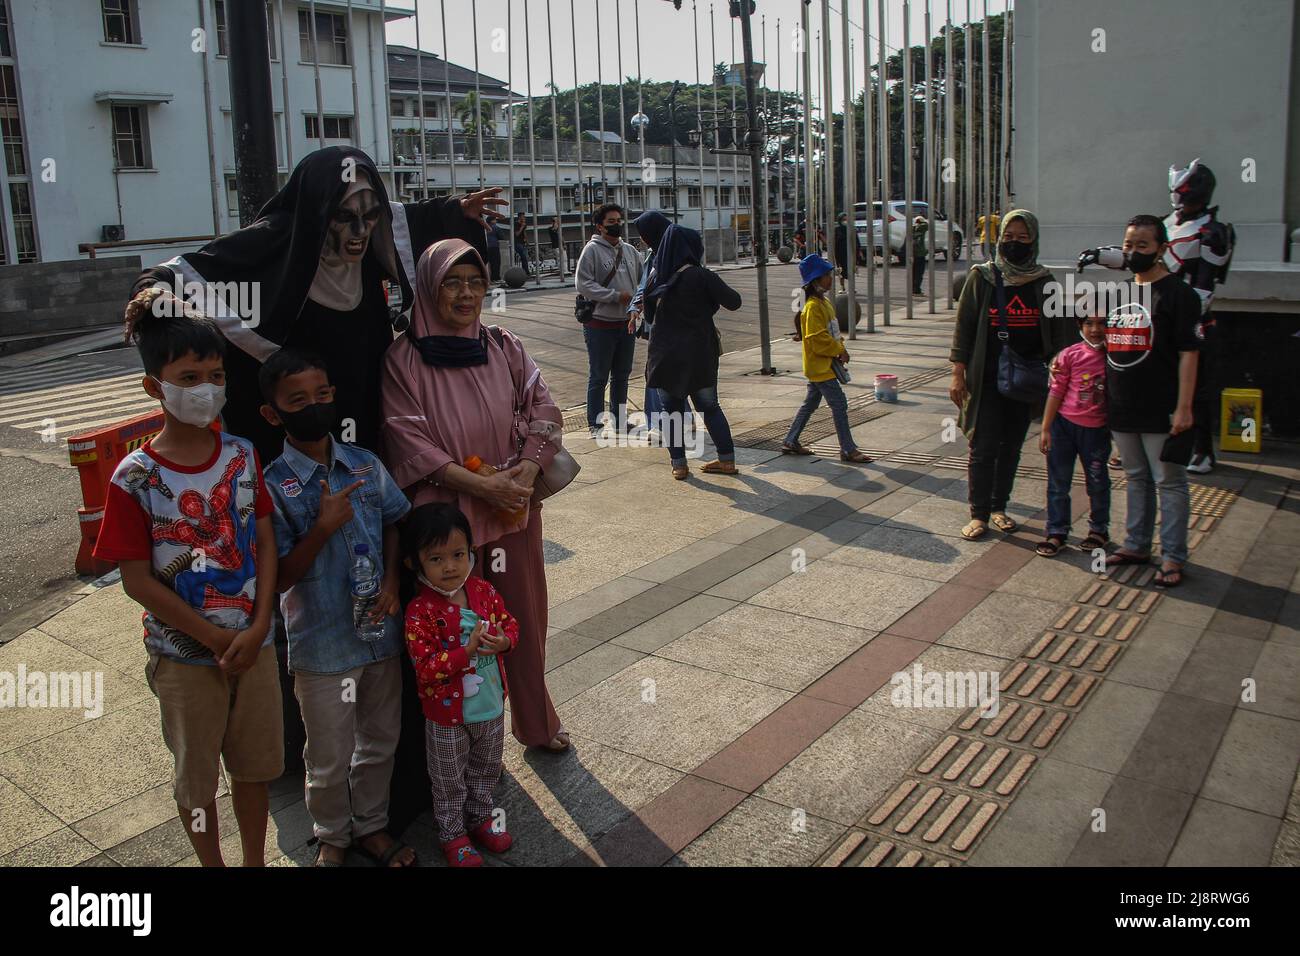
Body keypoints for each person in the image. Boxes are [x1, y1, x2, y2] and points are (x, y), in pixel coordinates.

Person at [125, 146, 503, 464]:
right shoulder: (276, 243)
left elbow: (412, 220)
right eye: (344, 217)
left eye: (370, 216)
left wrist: (456, 211)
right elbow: (181, 272)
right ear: (319, 213)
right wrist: (154, 293)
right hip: (300, 417)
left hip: (364, 401)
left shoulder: (372, 248)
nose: (360, 232)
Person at [93, 293, 281, 867]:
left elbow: (264, 542)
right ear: (156, 387)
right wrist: (219, 638)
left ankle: (252, 860)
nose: (206, 387)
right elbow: (137, 581)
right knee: (196, 782)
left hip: (257, 646)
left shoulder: (243, 455)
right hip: (184, 658)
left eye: (216, 375)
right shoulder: (135, 478)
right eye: (189, 376)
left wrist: (258, 624)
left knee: (254, 770)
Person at [382, 238, 570, 753]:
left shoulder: (503, 345)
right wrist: (480, 485)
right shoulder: (404, 359)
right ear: (427, 287)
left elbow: (544, 410)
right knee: (456, 631)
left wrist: (526, 471)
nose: (466, 294)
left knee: (522, 622)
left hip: (512, 509)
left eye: (475, 282)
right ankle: (466, 744)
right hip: (447, 522)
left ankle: (536, 722)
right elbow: (406, 437)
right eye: (452, 283)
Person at [259, 349, 416, 868]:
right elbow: (279, 576)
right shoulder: (271, 486)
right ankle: (331, 833)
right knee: (326, 755)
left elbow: (395, 521)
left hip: (379, 635)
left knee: (379, 741)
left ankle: (371, 826)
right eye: (297, 400)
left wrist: (394, 579)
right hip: (321, 646)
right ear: (272, 413)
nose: (313, 406)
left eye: (321, 395)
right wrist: (321, 528)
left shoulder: (365, 464)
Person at [401, 503, 517, 868]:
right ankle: (453, 834)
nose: (450, 566)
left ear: (471, 552)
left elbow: (509, 624)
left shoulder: (483, 591)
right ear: (414, 564)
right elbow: (425, 668)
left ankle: (481, 818)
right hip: (446, 717)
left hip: (491, 706)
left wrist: (505, 641)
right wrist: (465, 653)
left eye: (457, 554)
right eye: (436, 559)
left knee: (486, 768)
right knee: (449, 780)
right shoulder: (421, 612)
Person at [949, 209, 1072, 540]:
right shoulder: (983, 277)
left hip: (1028, 379)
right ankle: (979, 514)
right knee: (983, 445)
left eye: (1022, 237)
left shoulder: (1044, 281)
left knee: (1012, 446)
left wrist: (1059, 375)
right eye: (1008, 237)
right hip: (987, 378)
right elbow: (965, 327)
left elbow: (1058, 334)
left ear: (1033, 240)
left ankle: (999, 506)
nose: (1014, 243)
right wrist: (958, 373)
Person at [1103, 215, 1201, 589]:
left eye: (1142, 246)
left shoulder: (1180, 296)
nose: (1133, 252)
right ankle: (1136, 544)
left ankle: (1173, 556)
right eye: (1128, 245)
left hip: (1162, 407)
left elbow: (1189, 353)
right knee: (1136, 477)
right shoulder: (1121, 292)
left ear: (1162, 249)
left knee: (1169, 482)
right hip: (1123, 404)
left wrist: (1184, 406)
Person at [643, 223, 743, 480]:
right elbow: (734, 302)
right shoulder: (702, 276)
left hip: (665, 356)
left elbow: (650, 315)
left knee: (672, 411)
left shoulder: (656, 278)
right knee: (709, 407)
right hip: (699, 354)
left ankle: (679, 465)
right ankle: (726, 460)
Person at [782, 254, 872, 463]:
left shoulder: (824, 303)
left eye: (830, 274)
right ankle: (848, 449)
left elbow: (830, 332)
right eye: (825, 275)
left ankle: (790, 440)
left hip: (823, 366)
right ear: (815, 280)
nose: (830, 278)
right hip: (821, 367)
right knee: (839, 404)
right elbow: (817, 339)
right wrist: (839, 350)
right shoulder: (813, 306)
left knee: (810, 404)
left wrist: (840, 347)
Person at [1036, 307, 1110, 557]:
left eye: (1102, 323)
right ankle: (1057, 531)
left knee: (1098, 482)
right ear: (1079, 325)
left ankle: (1099, 529)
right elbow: (1056, 391)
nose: (1096, 329)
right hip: (1064, 427)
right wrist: (1046, 428)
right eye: (1089, 323)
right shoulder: (1069, 355)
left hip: (1097, 431)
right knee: (1058, 483)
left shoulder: (1116, 356)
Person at [575, 202, 643, 435]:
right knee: (599, 376)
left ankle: (620, 421)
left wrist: (638, 301)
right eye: (611, 222)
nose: (617, 225)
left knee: (622, 375)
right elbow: (583, 284)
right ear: (600, 226)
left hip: (626, 324)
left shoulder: (631, 251)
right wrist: (615, 296)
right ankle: (595, 423)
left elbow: (642, 282)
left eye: (619, 220)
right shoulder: (591, 250)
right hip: (599, 324)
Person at [832, 212, 859, 285]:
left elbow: (856, 241)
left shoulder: (852, 229)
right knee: (841, 270)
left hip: (850, 252)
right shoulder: (837, 229)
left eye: (846, 219)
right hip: (840, 252)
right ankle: (842, 287)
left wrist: (858, 251)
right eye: (843, 219)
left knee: (851, 269)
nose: (845, 221)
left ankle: (852, 286)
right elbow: (833, 241)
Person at [911, 215, 929, 295]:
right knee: (919, 273)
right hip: (920, 254)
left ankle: (913, 289)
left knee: (913, 273)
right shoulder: (922, 228)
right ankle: (916, 290)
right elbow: (926, 225)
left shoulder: (912, 230)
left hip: (912, 254)